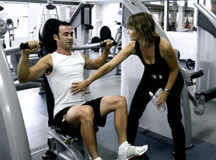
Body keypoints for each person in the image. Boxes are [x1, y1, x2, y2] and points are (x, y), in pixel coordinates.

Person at [17, 21, 148, 160]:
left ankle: (124, 150)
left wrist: (107, 50)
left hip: (82, 106)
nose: (70, 38)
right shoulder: (49, 60)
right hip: (64, 112)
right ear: (56, 37)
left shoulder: (79, 56)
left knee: (119, 101)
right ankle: (95, 158)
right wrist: (25, 54)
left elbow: (97, 64)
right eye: (66, 34)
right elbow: (24, 78)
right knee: (86, 111)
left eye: (72, 34)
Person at [71, 12, 186, 160]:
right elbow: (110, 65)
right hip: (150, 77)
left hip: (172, 79)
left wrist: (166, 92)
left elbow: (174, 69)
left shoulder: (163, 45)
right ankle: (127, 152)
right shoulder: (133, 46)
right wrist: (87, 81)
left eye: (131, 28)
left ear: (142, 28)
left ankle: (180, 154)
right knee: (133, 116)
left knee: (174, 119)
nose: (128, 31)